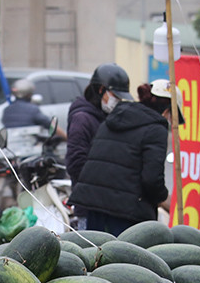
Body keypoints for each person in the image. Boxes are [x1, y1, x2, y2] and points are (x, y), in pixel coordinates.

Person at [68, 79, 173, 236]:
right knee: (121, 259)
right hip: (126, 214)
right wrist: (162, 197)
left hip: (94, 207)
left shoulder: (116, 116)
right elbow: (151, 179)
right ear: (166, 111)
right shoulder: (156, 129)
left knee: (94, 256)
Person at [65, 63, 132, 230]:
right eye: (114, 95)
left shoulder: (106, 117)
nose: (117, 101)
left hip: (108, 208)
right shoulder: (82, 119)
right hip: (89, 209)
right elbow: (75, 163)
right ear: (101, 90)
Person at [1, 79, 66, 138]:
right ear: (29, 93)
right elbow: (50, 125)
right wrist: (66, 137)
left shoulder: (6, 110)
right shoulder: (33, 109)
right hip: (31, 145)